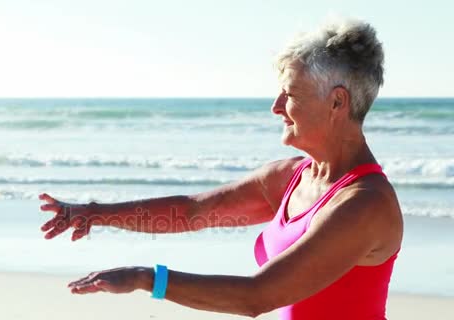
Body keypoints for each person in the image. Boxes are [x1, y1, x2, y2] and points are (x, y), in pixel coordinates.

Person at [38, 18, 403, 320]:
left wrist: (146, 278)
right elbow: (192, 211)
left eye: (290, 94)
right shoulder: (289, 177)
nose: (276, 107)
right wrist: (94, 214)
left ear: (337, 101)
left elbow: (257, 296)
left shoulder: (364, 205)